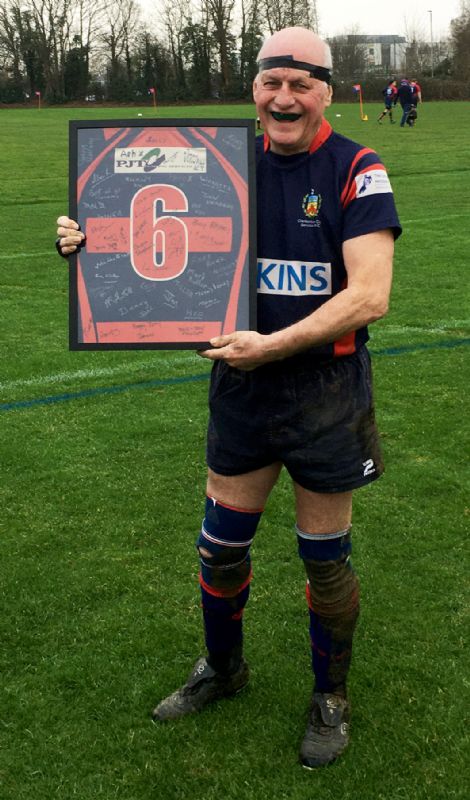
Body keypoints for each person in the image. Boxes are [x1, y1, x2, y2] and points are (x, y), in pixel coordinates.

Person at [56, 26, 401, 769]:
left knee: (324, 558)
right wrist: (90, 241)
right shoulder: (220, 164)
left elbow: (370, 295)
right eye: (272, 81)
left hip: (324, 392)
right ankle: (224, 668)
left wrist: (274, 345)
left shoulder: (357, 169)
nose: (285, 96)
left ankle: (330, 697)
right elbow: (151, 239)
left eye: (302, 82)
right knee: (219, 550)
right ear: (254, 88)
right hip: (242, 388)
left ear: (327, 91)